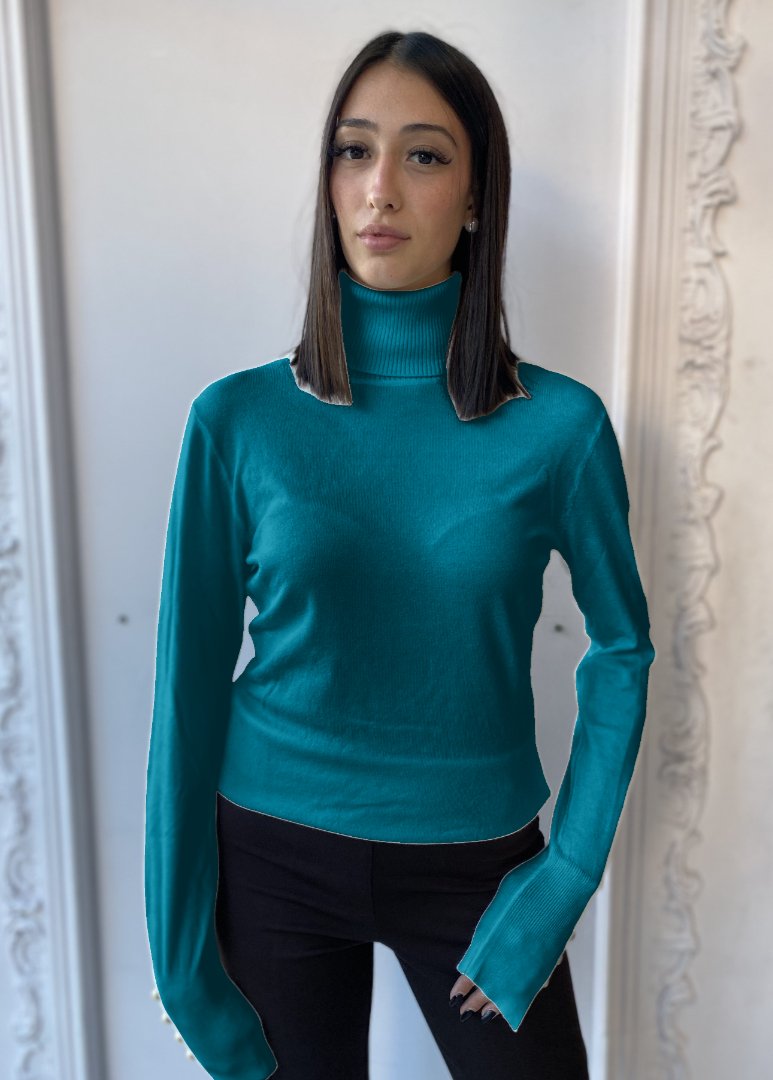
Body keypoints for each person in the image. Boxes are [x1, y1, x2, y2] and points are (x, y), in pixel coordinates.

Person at [144, 28, 656, 1080]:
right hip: (269, 852)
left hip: (477, 867)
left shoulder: (558, 429)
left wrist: (562, 878)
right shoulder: (235, 421)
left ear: (473, 198)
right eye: (353, 151)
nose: (379, 187)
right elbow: (184, 695)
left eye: (423, 155)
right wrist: (182, 963)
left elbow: (622, 649)